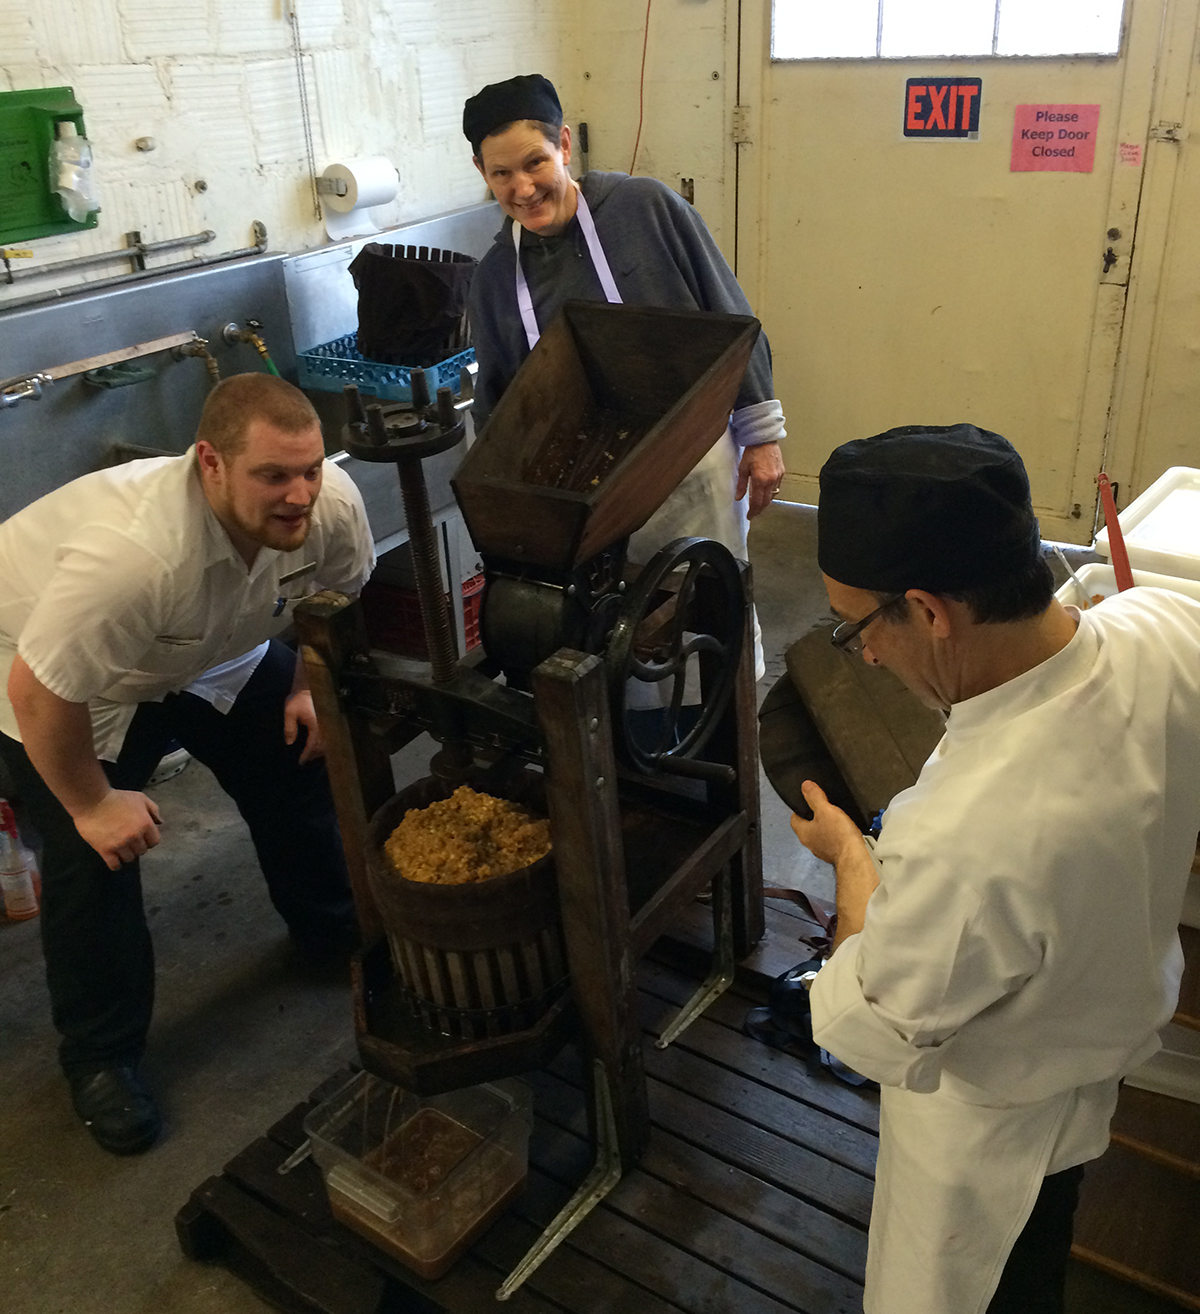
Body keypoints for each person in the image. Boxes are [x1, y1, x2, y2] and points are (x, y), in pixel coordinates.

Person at [791, 423, 1200, 1314]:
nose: (861, 652)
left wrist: (854, 864)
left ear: (931, 612)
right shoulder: (1163, 624)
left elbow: (867, 1024)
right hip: (1095, 1055)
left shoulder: (967, 839)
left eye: (855, 626)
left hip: (989, 1140)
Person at [0, 373, 375, 1156]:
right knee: (90, 855)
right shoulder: (134, 556)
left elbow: (335, 597)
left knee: (295, 759)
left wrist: (309, 687)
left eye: (307, 469)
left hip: (207, 650)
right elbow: (39, 690)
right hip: (63, 680)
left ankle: (330, 930)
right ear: (209, 463)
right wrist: (95, 804)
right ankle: (101, 1058)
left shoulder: (329, 503)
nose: (299, 495)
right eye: (273, 476)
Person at [461, 72, 786, 584]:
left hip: (692, 463)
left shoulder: (646, 209)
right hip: (586, 490)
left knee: (713, 606)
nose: (522, 189)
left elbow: (730, 319)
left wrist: (762, 436)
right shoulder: (496, 278)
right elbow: (499, 404)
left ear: (564, 145)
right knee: (617, 628)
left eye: (535, 163)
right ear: (481, 170)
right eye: (501, 174)